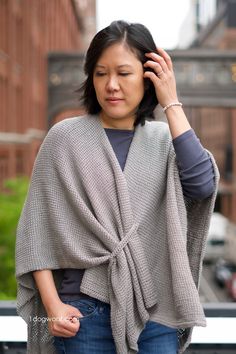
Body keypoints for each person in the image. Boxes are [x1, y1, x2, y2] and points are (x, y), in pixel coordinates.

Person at [15, 20, 219, 354]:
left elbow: (201, 186)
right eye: (100, 73)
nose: (111, 85)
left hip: (156, 312)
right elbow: (36, 233)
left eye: (124, 73)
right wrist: (52, 307)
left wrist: (171, 102)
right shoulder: (65, 138)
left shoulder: (166, 141)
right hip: (83, 313)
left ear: (147, 76)